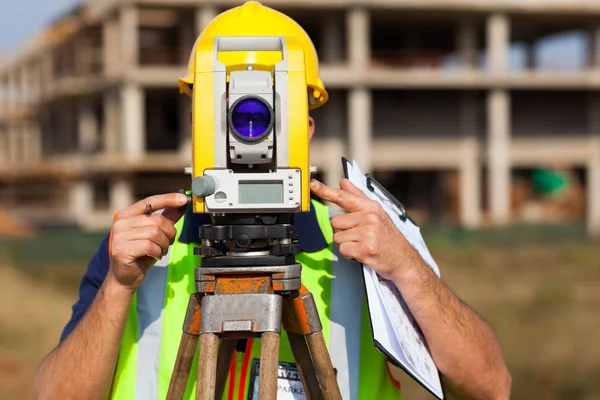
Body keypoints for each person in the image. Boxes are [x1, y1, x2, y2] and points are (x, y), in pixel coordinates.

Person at [33, 2, 511, 399]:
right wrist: (118, 286)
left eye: (271, 111)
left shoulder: (365, 241)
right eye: (228, 111)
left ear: (307, 128)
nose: (250, 126)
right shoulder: (140, 248)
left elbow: (492, 386)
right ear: (197, 124)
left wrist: (406, 268)